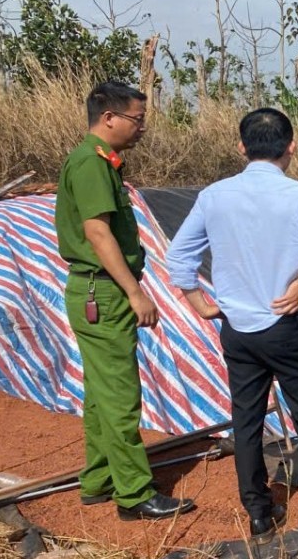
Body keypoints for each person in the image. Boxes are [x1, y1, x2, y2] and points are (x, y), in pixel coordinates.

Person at [165, 108, 298, 543]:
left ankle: (258, 512)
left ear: (241, 147)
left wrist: (199, 303)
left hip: (238, 330)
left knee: (246, 420)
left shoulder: (214, 196)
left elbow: (179, 257)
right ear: (292, 146)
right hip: (287, 323)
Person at [55, 81, 196, 520]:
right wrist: (135, 292)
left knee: (101, 392)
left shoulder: (97, 163)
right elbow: (98, 233)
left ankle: (99, 479)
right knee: (119, 394)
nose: (142, 128)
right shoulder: (92, 164)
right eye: (137, 119)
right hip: (105, 290)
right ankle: (134, 494)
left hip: (96, 290)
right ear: (108, 118)